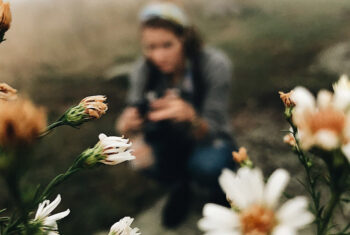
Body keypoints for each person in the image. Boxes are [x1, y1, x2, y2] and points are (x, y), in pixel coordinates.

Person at [116, 1, 237, 228]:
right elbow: (132, 113)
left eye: (167, 45)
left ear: (185, 39)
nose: (158, 56)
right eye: (150, 47)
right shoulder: (142, 71)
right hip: (168, 140)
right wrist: (127, 127)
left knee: (208, 165)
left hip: (209, 139)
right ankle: (179, 187)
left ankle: (220, 193)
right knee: (135, 156)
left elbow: (216, 125)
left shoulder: (214, 65)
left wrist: (191, 117)